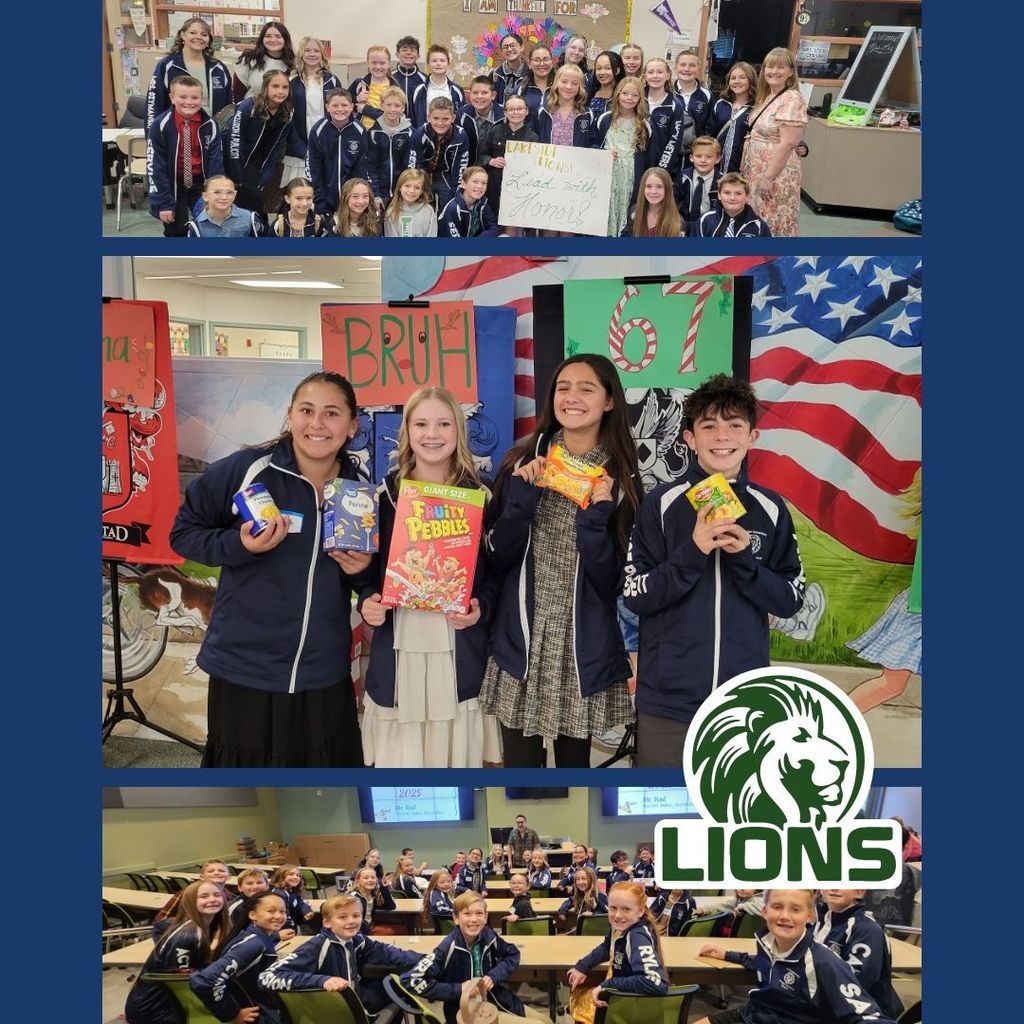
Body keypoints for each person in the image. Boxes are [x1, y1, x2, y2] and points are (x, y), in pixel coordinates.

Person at [169, 370, 372, 767]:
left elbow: (366, 579)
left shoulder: (358, 491)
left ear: (352, 425)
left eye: (332, 413)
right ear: (290, 415)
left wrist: (362, 569)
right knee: (248, 776)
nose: (317, 424)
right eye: (306, 411)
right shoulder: (248, 470)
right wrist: (239, 545)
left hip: (321, 671)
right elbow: (184, 534)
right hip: (246, 666)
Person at [624, 374, 804, 767]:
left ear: (752, 437)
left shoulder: (771, 508)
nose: (722, 436)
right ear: (690, 438)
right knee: (663, 802)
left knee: (735, 801)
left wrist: (744, 561)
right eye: (709, 426)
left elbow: (791, 599)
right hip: (668, 704)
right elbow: (636, 594)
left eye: (734, 425)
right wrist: (694, 551)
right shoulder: (660, 504)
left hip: (744, 706)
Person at [480, 354, 640, 768]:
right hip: (523, 639)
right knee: (520, 774)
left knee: (575, 774)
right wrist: (520, 500)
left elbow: (613, 582)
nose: (572, 397)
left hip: (581, 646)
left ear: (609, 401)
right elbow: (497, 556)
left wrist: (597, 518)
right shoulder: (521, 463)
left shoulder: (621, 480)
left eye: (586, 389)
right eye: (563, 388)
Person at [359, 386, 497, 766]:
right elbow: (366, 574)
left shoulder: (482, 497)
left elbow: (497, 575)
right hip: (401, 646)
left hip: (457, 648)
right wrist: (368, 600)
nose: (432, 434)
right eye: (421, 424)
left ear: (459, 431)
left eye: (443, 424)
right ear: (407, 431)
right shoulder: (383, 497)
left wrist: (480, 607)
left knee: (457, 764)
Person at [693, 889, 899, 1024]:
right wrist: (728, 954)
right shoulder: (768, 942)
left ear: (808, 916)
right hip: (758, 1012)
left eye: (795, 909)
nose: (784, 916)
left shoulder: (824, 960)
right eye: (777, 907)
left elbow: (865, 1010)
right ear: (764, 912)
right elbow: (773, 963)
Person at [260, 892, 422, 1012]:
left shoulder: (356, 939)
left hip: (353, 995)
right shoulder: (317, 946)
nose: (351, 921)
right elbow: (266, 977)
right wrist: (322, 980)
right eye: (343, 917)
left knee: (401, 982)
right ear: (327, 922)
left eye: (356, 915)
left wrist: (428, 960)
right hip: (336, 1008)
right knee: (400, 994)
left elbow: (390, 952)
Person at [385, 891, 526, 1024]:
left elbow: (513, 954)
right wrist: (459, 989)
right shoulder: (447, 948)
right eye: (467, 914)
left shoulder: (488, 935)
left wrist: (494, 976)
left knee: (532, 1016)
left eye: (479, 913)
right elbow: (410, 981)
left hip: (494, 998)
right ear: (456, 918)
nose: (474, 919)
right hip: (463, 1010)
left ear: (486, 917)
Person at [847, 473, 921, 714]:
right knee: (891, 683)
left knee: (891, 684)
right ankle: (829, 722)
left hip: (916, 606)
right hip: (918, 609)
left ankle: (829, 722)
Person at [124, 882, 230, 1024]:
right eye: (204, 896)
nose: (212, 899)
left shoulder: (206, 926)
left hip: (161, 1004)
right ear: (190, 902)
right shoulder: (189, 934)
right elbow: (181, 982)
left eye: (217, 895)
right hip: (154, 1008)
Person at [567, 881, 668, 1024]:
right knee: (577, 990)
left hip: (632, 1005)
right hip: (623, 994)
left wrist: (607, 985)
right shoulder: (621, 926)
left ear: (640, 911)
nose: (618, 915)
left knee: (579, 1000)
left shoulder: (637, 936)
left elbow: (655, 982)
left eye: (626, 909)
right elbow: (606, 947)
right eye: (613, 908)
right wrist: (583, 966)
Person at [740, 47, 807, 237]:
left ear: (791, 72)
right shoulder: (770, 96)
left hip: (776, 172)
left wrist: (768, 177)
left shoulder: (792, 98)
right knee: (758, 216)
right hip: (758, 169)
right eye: (770, 67)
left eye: (780, 67)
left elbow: (788, 143)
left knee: (773, 217)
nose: (774, 71)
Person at [190, 891, 285, 1023]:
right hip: (257, 1015)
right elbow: (205, 980)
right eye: (271, 911)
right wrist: (231, 1014)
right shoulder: (253, 944)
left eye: (282, 911)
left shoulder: (253, 936)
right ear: (252, 915)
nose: (279, 916)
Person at [147, 75, 223, 236]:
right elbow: (155, 166)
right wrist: (164, 203)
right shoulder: (160, 126)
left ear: (201, 99)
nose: (189, 102)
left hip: (201, 183)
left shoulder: (210, 125)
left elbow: (215, 162)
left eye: (194, 97)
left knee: (210, 225)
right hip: (174, 183)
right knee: (176, 229)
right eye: (183, 97)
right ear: (172, 98)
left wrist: (216, 193)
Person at [814, 890, 904, 1019]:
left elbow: (856, 985)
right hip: (827, 1007)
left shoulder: (867, 929)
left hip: (865, 1014)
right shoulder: (818, 920)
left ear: (859, 892)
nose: (834, 887)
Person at [226, 69, 293, 215]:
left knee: (257, 205)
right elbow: (234, 141)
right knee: (245, 205)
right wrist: (236, 175)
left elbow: (276, 148)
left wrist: (265, 175)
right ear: (265, 87)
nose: (280, 91)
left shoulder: (287, 112)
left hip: (258, 164)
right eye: (275, 86)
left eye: (285, 87)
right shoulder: (247, 107)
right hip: (238, 162)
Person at [146, 17, 232, 131]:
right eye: (193, 33)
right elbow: (153, 104)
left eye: (204, 34)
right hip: (176, 133)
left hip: (211, 134)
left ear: (208, 40)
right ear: (183, 35)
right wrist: (152, 135)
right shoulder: (167, 66)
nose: (199, 37)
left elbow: (229, 107)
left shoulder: (219, 68)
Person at [593, 76, 649, 237]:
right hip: (608, 175)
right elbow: (593, 144)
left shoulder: (644, 124)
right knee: (606, 211)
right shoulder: (605, 119)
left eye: (634, 95)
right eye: (625, 93)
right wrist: (603, 154)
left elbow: (649, 156)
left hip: (630, 177)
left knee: (626, 213)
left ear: (640, 99)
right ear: (618, 94)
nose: (629, 98)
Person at [284, 36, 342, 184]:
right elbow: (287, 118)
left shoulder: (332, 80)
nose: (312, 54)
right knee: (301, 187)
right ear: (301, 54)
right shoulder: (292, 81)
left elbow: (340, 113)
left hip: (327, 141)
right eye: (307, 50)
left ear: (322, 54)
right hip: (301, 143)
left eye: (316, 51)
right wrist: (300, 148)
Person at [478, 93, 537, 235]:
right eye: (511, 109)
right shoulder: (494, 131)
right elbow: (481, 156)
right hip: (494, 188)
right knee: (495, 226)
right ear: (505, 112)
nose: (515, 112)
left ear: (526, 111)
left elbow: (535, 167)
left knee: (514, 228)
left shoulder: (533, 137)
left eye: (519, 109)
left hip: (519, 190)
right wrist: (491, 161)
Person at [306, 88, 368, 216]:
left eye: (344, 105)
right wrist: (319, 202)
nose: (340, 109)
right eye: (335, 105)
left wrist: (356, 198)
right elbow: (314, 169)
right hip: (324, 200)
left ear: (352, 106)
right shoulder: (318, 131)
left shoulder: (360, 131)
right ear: (327, 107)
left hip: (351, 201)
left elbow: (361, 170)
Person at [408, 96, 471, 212]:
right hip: (425, 176)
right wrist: (415, 186)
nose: (440, 123)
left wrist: (457, 192)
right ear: (428, 117)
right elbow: (414, 164)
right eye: (435, 118)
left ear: (453, 118)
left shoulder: (461, 136)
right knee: (422, 209)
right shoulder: (420, 134)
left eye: (445, 119)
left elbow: (460, 167)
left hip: (447, 177)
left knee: (448, 209)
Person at [366, 87, 414, 209]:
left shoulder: (410, 133)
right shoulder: (373, 133)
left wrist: (406, 192)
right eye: (388, 105)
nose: (392, 109)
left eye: (397, 106)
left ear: (403, 108)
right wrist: (376, 195)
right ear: (381, 105)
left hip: (402, 193)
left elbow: (410, 167)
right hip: (380, 194)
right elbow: (370, 167)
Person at [643, 57, 691, 179]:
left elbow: (674, 142)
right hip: (636, 165)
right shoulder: (637, 100)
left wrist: (662, 170)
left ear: (668, 75)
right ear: (645, 76)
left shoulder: (675, 106)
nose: (655, 76)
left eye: (660, 72)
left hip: (661, 168)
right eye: (651, 72)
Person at [709, 61, 755, 174]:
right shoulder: (721, 104)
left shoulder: (757, 107)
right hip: (716, 166)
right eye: (733, 78)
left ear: (751, 80)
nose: (737, 81)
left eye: (742, 77)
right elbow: (710, 132)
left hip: (742, 167)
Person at [233, 20, 294, 102]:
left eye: (278, 36)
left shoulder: (293, 62)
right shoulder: (249, 59)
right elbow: (238, 93)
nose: (273, 40)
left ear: (285, 39)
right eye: (268, 36)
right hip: (252, 108)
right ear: (262, 38)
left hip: (283, 109)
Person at [696, 171, 771, 237]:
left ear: (747, 197)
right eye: (727, 193)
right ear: (719, 195)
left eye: (738, 193)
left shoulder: (759, 226)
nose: (732, 198)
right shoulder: (706, 221)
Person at [186, 175, 263, 236]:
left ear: (235, 195)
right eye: (217, 192)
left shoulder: (250, 219)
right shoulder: (196, 226)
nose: (224, 197)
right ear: (205, 196)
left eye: (229, 193)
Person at [675, 135, 722, 233]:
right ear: (691, 158)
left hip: (711, 227)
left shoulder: (722, 181)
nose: (703, 160)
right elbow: (673, 201)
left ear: (718, 159)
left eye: (709, 156)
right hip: (684, 224)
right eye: (698, 156)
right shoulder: (683, 176)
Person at [411, 45, 465, 128]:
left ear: (448, 64)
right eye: (434, 61)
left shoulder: (457, 90)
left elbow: (461, 117)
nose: (438, 64)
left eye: (442, 61)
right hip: (425, 134)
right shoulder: (419, 90)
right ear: (428, 65)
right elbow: (413, 117)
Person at [621, 167, 684, 237]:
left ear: (667, 189)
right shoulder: (634, 212)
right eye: (649, 186)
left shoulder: (677, 222)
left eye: (659, 187)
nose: (653, 191)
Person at [438, 165, 499, 238]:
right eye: (475, 182)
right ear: (464, 184)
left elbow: (493, 227)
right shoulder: (452, 208)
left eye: (484, 183)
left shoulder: (482, 203)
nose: (480, 186)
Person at [262, 176, 332, 236]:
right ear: (287, 199)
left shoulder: (318, 224)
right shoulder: (278, 226)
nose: (304, 203)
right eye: (299, 198)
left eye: (309, 198)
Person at [460, 75, 503, 166]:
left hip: (496, 165)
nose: (479, 96)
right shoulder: (462, 115)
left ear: (493, 95)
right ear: (469, 95)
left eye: (484, 93)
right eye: (475, 93)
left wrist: (490, 161)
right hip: (469, 166)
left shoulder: (504, 116)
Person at [352, 45, 398, 130]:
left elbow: (393, 116)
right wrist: (356, 99)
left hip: (385, 133)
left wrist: (366, 110)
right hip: (363, 132)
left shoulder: (395, 88)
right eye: (374, 62)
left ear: (388, 64)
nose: (378, 67)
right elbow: (345, 107)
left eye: (382, 63)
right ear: (368, 63)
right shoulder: (359, 83)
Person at [383, 167, 437, 236]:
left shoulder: (429, 211)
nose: (412, 190)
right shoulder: (391, 213)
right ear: (400, 187)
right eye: (407, 186)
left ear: (422, 191)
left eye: (417, 188)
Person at [672, 49, 712, 139]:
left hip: (697, 146)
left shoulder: (707, 95)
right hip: (670, 146)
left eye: (692, 65)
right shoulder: (666, 93)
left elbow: (710, 126)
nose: (687, 69)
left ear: (698, 69)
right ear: (675, 68)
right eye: (683, 65)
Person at [349, 865, 398, 935]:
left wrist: (384, 888)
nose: (370, 880)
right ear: (358, 881)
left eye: (373, 877)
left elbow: (391, 906)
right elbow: (352, 922)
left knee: (402, 929)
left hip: (370, 927)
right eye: (366, 878)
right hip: (360, 932)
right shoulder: (354, 898)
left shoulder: (372, 895)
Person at [557, 867, 608, 933]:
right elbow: (570, 901)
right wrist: (562, 910)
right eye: (577, 879)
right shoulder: (581, 895)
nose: (580, 882)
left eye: (584, 878)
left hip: (594, 932)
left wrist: (593, 914)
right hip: (582, 929)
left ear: (591, 880)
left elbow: (607, 915)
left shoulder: (599, 896)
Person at [519, 46, 555, 133]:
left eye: (546, 59)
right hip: (527, 139)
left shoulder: (561, 88)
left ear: (552, 62)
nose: (541, 64)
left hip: (553, 139)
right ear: (530, 64)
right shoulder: (521, 89)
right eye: (536, 60)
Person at [270, 865, 315, 934]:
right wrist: (292, 928)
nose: (295, 877)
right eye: (291, 874)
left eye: (298, 875)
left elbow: (300, 900)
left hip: (294, 923)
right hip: (284, 929)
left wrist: (306, 910)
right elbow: (283, 915)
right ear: (281, 877)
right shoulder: (279, 894)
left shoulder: (292, 890)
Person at [393, 35, 427, 115]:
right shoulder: (389, 77)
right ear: (397, 54)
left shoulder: (425, 79)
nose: (408, 53)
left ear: (418, 56)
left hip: (417, 123)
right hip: (394, 122)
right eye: (404, 50)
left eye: (412, 50)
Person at [587, 50, 625, 120]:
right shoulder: (588, 93)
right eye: (599, 68)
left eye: (607, 68)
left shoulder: (624, 95)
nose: (602, 72)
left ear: (617, 70)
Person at [492, 32, 528, 104]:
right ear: (502, 51)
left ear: (521, 47)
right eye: (505, 47)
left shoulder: (530, 74)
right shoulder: (495, 74)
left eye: (512, 45)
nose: (509, 49)